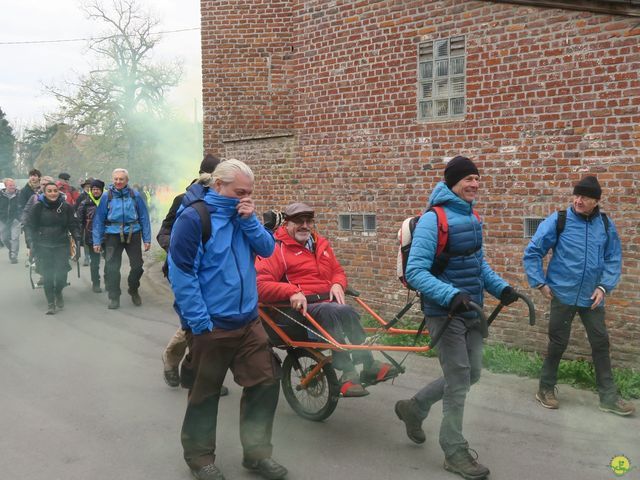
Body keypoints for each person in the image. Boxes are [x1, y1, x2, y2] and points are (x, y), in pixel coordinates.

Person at [393, 156, 517, 480]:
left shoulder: (472, 217)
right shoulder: (434, 220)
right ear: (452, 183)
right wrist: (450, 295)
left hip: (471, 308)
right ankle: (454, 450)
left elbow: (478, 267)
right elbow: (415, 271)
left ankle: (415, 407)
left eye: (477, 178)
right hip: (444, 312)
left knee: (471, 373)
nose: (474, 184)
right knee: (459, 378)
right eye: (467, 179)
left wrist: (501, 288)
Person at [168, 159, 286, 480]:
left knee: (265, 383)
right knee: (205, 395)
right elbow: (182, 274)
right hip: (211, 325)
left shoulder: (243, 216)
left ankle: (257, 454)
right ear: (219, 186)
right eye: (239, 192)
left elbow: (267, 249)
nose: (245, 198)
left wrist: (250, 221)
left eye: (250, 192)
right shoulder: (194, 219)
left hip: (248, 321)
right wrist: (199, 324)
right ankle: (200, 457)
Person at [256, 202, 399, 397]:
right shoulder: (274, 248)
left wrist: (338, 284)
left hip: (323, 306)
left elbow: (337, 271)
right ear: (286, 224)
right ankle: (348, 371)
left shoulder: (320, 243)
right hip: (292, 312)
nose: (305, 225)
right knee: (335, 310)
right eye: (299, 221)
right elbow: (260, 285)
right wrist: (291, 291)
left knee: (344, 310)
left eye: (308, 221)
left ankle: (368, 363)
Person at [523, 176, 635, 417]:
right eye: (576, 195)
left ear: (596, 201)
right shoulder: (559, 220)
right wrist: (540, 283)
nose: (578, 200)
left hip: (590, 298)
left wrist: (604, 287)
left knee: (601, 343)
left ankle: (608, 398)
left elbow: (613, 258)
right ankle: (545, 389)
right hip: (561, 294)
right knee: (558, 344)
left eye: (585, 197)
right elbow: (533, 252)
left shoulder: (605, 225)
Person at [157, 153, 230, 394]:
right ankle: (179, 362)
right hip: (186, 269)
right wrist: (178, 249)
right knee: (194, 324)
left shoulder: (227, 200)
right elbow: (164, 231)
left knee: (213, 323)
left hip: (216, 271)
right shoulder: (183, 200)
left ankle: (206, 375)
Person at [92, 168, 151, 310]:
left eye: (121, 179)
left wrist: (147, 239)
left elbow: (144, 217)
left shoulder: (135, 195)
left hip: (133, 233)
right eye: (116, 179)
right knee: (112, 267)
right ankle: (114, 297)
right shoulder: (107, 196)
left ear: (127, 180)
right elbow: (99, 219)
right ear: (113, 180)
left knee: (137, 266)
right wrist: (97, 241)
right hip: (112, 235)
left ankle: (133, 288)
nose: (118, 181)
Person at [24, 182, 80, 314]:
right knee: (48, 274)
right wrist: (30, 241)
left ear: (58, 192)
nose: (53, 193)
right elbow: (29, 226)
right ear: (44, 192)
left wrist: (77, 237)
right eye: (49, 191)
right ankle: (50, 303)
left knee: (62, 274)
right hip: (43, 245)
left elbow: (73, 223)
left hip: (61, 244)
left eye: (55, 190)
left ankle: (58, 291)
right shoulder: (37, 207)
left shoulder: (66, 207)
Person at [77, 179, 106, 293]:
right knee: (95, 262)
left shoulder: (107, 201)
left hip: (108, 236)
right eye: (93, 189)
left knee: (110, 261)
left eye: (97, 189)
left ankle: (109, 281)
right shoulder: (85, 203)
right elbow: (79, 221)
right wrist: (78, 236)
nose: (95, 191)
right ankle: (96, 283)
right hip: (91, 236)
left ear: (101, 190)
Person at [0, 178, 22, 264]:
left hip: (15, 219)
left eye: (13, 185)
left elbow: (23, 205)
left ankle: (14, 256)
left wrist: (21, 217)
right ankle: (11, 249)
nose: (13, 187)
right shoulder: (0, 195)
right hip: (3, 219)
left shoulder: (19, 194)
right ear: (5, 186)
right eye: (10, 185)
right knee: (4, 238)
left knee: (15, 238)